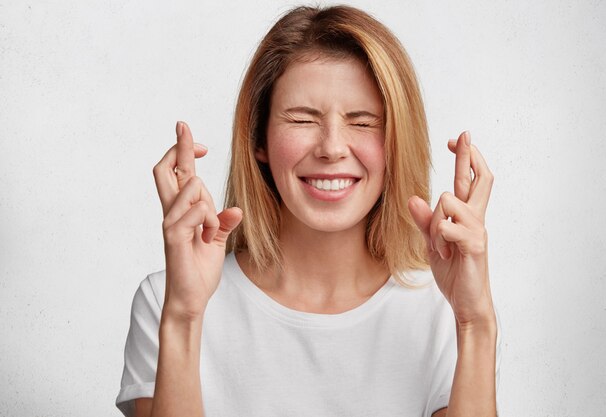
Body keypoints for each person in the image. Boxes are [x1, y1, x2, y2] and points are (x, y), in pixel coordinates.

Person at [116, 5, 499, 417]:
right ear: (258, 139)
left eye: (363, 122)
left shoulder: (442, 310)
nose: (332, 148)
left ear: (395, 144)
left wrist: (476, 324)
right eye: (301, 119)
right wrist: (185, 316)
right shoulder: (166, 301)